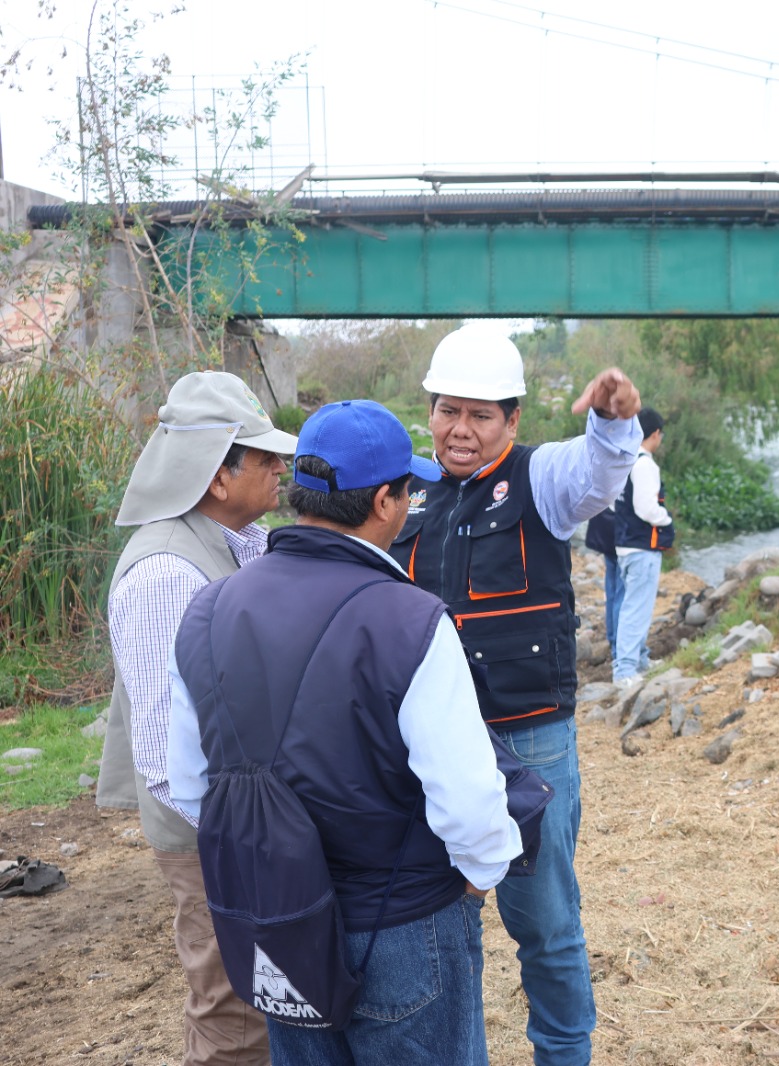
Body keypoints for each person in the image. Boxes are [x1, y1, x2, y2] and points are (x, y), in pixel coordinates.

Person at [165, 399, 527, 1064]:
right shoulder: (411, 621)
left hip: (279, 922)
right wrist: (481, 876)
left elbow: (189, 786)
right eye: (407, 492)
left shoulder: (207, 609)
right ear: (387, 502)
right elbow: (469, 799)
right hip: (402, 925)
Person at [390, 328, 642, 1066]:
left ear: (513, 421)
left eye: (480, 416)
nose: (460, 431)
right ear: (429, 411)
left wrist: (614, 418)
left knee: (546, 922)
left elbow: (601, 471)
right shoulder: (404, 492)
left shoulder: (544, 479)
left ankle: (564, 1053)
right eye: (447, 412)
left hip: (529, 742)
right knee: (440, 923)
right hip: (430, 745)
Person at [98, 371, 297, 1066]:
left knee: (267, 998)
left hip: (243, 824)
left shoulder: (240, 543)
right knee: (234, 1011)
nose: (281, 468)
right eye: (265, 457)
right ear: (217, 476)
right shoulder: (165, 574)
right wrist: (243, 841)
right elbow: (163, 760)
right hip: (214, 835)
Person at [611, 407, 674, 686]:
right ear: (655, 434)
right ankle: (625, 670)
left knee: (630, 603)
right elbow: (647, 508)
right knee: (637, 607)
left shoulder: (625, 460)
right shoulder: (646, 465)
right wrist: (666, 519)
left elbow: (613, 502)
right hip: (642, 547)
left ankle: (640, 658)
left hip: (624, 545)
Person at [583, 507, 621, 664]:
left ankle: (613, 640)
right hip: (622, 535)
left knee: (612, 591)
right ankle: (619, 647)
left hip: (605, 531)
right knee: (621, 593)